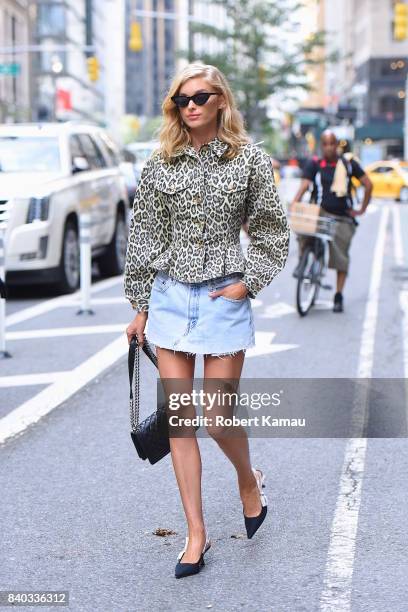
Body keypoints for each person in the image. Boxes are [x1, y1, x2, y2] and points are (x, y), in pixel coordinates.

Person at [124, 62, 290, 579]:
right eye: (180, 100)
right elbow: (145, 236)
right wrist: (140, 304)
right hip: (170, 296)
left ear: (220, 100)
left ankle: (246, 478)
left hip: (222, 298)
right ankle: (196, 533)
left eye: (200, 97)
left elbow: (272, 230)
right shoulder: (159, 165)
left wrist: (249, 281)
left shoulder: (249, 161)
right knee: (179, 422)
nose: (190, 106)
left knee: (217, 418)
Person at [291, 130, 373, 312]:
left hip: (342, 216)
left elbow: (368, 184)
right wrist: (295, 204)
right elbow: (304, 185)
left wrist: (361, 210)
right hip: (320, 212)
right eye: (325, 144)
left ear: (337, 145)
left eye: (332, 143)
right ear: (321, 146)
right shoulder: (315, 163)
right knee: (304, 232)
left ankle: (338, 295)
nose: (329, 147)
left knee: (340, 257)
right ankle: (304, 262)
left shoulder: (348, 163)